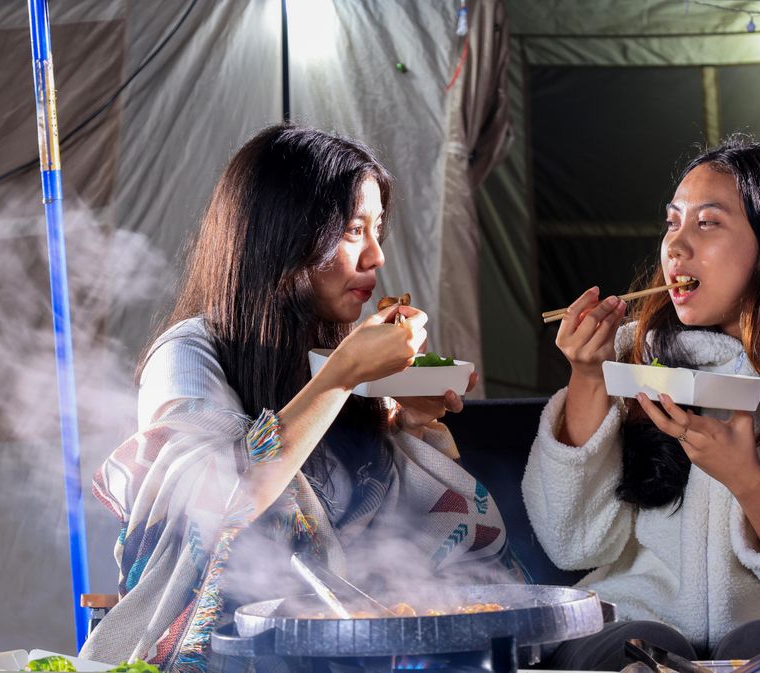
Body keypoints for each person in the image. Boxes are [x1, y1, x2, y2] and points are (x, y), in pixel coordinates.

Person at [81, 125, 520, 670]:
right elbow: (208, 506)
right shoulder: (190, 352)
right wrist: (341, 376)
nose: (377, 257)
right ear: (282, 238)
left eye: (378, 228)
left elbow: (391, 535)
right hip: (236, 649)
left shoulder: (326, 352)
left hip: (359, 643)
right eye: (353, 230)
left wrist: (408, 422)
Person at [523, 137, 760, 670]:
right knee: (624, 644)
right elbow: (572, 544)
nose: (675, 247)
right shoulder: (636, 358)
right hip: (635, 621)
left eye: (707, 223)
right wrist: (589, 375)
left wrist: (750, 483)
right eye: (672, 222)